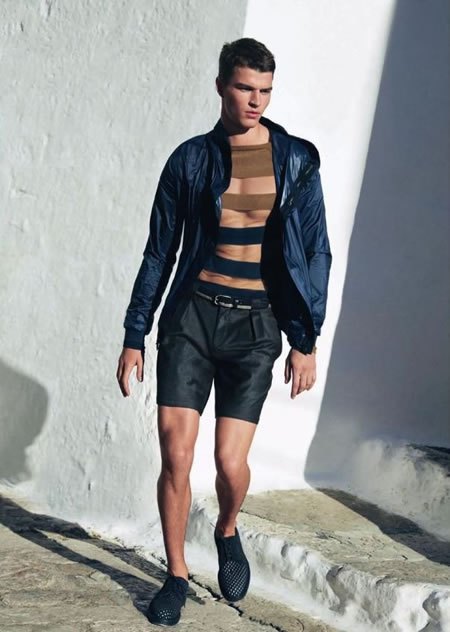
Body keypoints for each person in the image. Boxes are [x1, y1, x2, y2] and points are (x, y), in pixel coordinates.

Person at [116, 37, 332, 626]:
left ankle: (228, 528)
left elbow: (315, 252)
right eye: (244, 88)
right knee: (176, 453)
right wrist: (135, 333)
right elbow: (159, 252)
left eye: (265, 91)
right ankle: (176, 575)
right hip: (192, 318)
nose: (255, 100)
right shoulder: (189, 160)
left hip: (256, 326)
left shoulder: (294, 160)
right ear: (220, 87)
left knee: (229, 464)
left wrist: (305, 340)